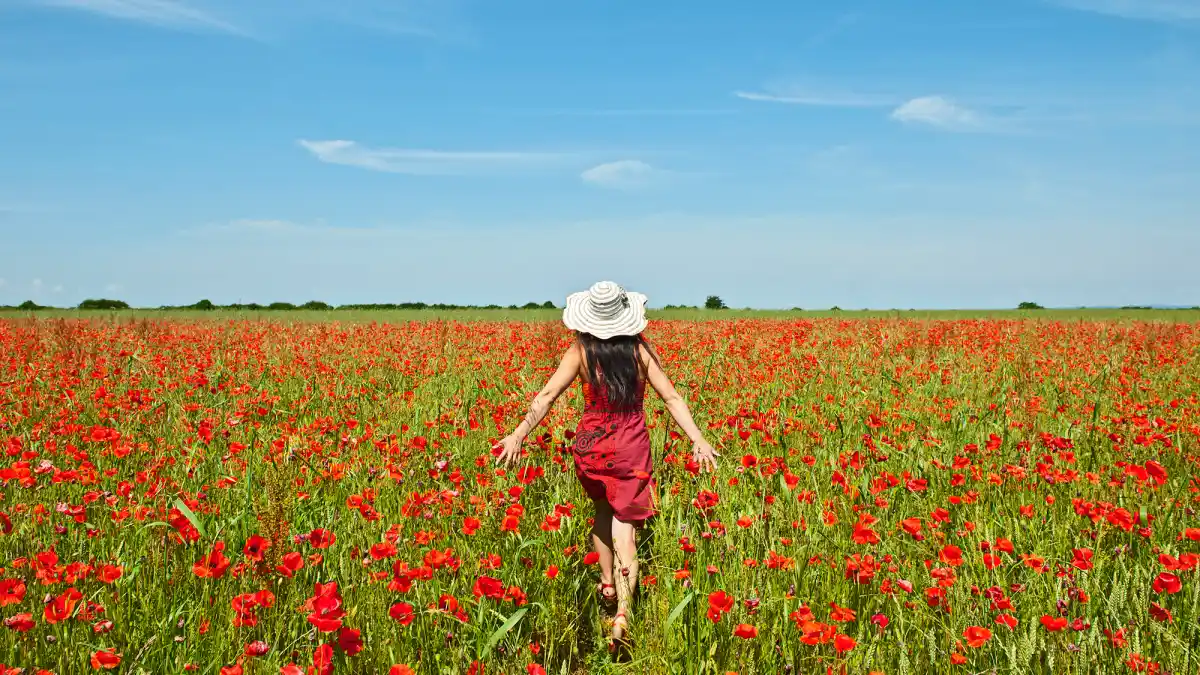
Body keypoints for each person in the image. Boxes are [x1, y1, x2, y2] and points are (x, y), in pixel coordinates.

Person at [494, 280, 720, 651]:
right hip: (631, 445)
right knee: (625, 527)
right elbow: (671, 397)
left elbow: (547, 395)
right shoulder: (639, 352)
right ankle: (623, 615)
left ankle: (608, 587)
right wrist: (698, 438)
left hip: (590, 445)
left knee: (602, 510)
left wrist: (519, 433)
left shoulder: (580, 351)